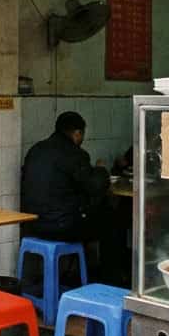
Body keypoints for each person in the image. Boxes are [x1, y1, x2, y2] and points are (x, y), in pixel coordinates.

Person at [20, 111, 116, 283]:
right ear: (77, 133)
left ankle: (77, 276)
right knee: (112, 223)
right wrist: (101, 170)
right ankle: (110, 281)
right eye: (81, 135)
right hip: (61, 226)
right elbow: (94, 185)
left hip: (32, 224)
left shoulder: (36, 150)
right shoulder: (75, 154)